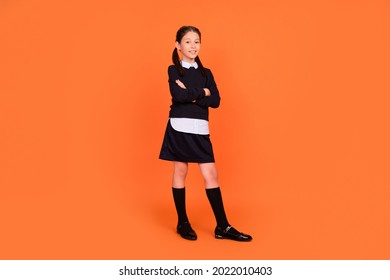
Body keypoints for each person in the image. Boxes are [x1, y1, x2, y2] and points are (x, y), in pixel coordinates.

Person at [159, 26, 252, 242]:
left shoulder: (206, 73)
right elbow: (178, 96)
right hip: (179, 127)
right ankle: (182, 222)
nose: (193, 46)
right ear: (178, 45)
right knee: (180, 171)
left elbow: (216, 101)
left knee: (211, 175)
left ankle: (223, 226)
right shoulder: (174, 70)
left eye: (197, 41)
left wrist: (192, 94)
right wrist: (203, 93)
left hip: (201, 129)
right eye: (188, 42)